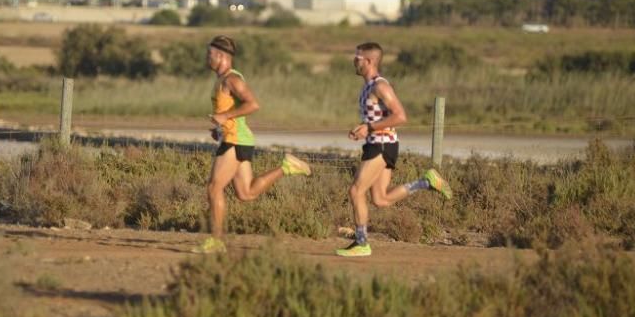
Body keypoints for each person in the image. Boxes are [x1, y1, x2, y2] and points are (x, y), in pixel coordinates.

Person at [194, 35, 312, 254]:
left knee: (214, 188)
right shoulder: (221, 80)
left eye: (209, 54)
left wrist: (225, 117)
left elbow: (253, 104)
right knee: (246, 193)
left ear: (221, 56)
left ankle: (216, 241)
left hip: (235, 140)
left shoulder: (232, 79)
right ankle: (287, 167)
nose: (206, 57)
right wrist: (220, 126)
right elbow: (231, 115)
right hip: (235, 138)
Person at [336, 41, 452, 257]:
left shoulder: (380, 86)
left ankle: (361, 243)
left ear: (369, 61)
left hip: (381, 145)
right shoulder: (368, 87)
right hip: (378, 143)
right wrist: (362, 130)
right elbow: (378, 118)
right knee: (380, 199)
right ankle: (426, 182)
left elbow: (400, 116)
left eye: (357, 57)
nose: (354, 60)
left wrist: (369, 128)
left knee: (355, 191)